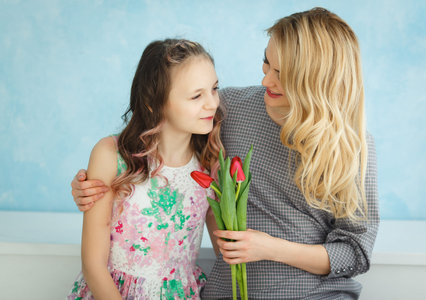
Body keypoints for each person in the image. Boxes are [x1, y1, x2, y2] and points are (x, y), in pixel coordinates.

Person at [71, 7, 379, 299]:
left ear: (314, 81)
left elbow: (356, 252)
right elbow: (160, 131)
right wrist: (91, 184)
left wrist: (270, 248)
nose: (265, 79)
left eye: (281, 74)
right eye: (265, 62)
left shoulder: (352, 148)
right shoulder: (224, 113)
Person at [67, 38, 223, 299]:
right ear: (154, 102)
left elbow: (224, 250)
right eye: (196, 95)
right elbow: (93, 265)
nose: (212, 104)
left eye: (215, 89)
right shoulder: (111, 156)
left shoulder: (210, 162)